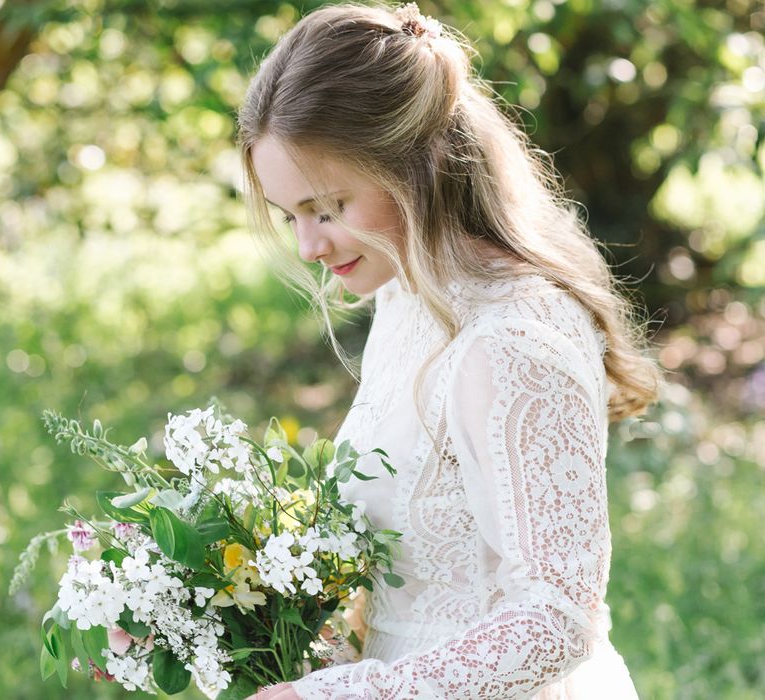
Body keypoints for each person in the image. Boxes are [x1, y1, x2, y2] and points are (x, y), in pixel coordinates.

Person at [238, 2, 663, 698]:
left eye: (328, 207)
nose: (309, 247)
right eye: (292, 216)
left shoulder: (513, 342)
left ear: (415, 167)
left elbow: (557, 619)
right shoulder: (406, 295)